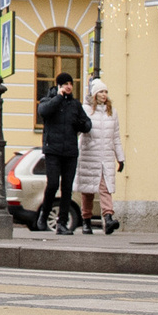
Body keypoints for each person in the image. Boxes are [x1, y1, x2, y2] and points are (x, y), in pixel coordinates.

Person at [36, 74, 94, 235]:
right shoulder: (49, 100)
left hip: (70, 152)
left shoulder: (75, 105)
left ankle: (62, 223)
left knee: (67, 188)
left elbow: (87, 124)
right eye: (65, 84)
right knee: (53, 184)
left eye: (71, 83)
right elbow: (44, 112)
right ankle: (44, 214)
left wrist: (80, 124)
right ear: (59, 86)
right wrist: (58, 98)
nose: (69, 86)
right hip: (52, 150)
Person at [75, 82, 123, 236]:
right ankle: (86, 221)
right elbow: (79, 131)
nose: (104, 94)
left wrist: (120, 158)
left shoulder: (112, 112)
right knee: (88, 190)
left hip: (106, 157)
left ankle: (108, 218)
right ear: (95, 94)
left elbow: (116, 137)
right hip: (89, 155)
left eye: (106, 91)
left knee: (105, 187)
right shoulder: (85, 110)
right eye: (101, 91)